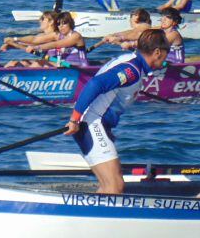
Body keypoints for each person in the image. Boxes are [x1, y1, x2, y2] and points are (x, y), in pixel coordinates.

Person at [65, 28, 170, 194]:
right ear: (157, 52)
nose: (166, 59)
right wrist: (74, 120)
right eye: (166, 54)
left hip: (95, 124)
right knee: (115, 186)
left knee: (109, 186)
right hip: (91, 124)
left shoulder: (132, 61)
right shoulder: (132, 71)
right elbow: (95, 84)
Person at [25, 12, 89, 67]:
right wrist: (16, 40)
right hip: (65, 65)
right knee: (25, 62)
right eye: (58, 24)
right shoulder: (60, 36)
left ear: (70, 23)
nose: (61, 26)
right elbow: (35, 40)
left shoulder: (75, 36)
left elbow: (56, 44)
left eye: (64, 23)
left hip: (79, 67)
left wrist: (36, 47)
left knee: (42, 62)